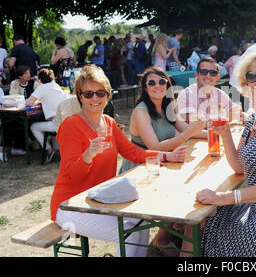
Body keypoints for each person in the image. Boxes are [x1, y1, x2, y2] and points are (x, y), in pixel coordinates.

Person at [49, 64, 187, 257]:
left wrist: (166, 156)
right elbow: (74, 175)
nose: (95, 98)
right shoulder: (70, 126)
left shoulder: (109, 123)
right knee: (130, 232)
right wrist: (88, 155)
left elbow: (133, 152)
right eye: (88, 94)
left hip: (100, 199)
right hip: (69, 206)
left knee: (141, 222)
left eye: (100, 93)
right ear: (80, 97)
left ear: (107, 95)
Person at [180, 48, 256, 257]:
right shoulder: (255, 118)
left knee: (206, 226)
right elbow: (239, 167)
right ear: (245, 82)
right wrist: (226, 134)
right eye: (252, 76)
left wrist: (224, 197)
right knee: (197, 219)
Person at [120, 67, 205, 173]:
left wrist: (217, 132)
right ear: (146, 89)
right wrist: (188, 133)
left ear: (167, 86)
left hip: (166, 161)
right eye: (151, 83)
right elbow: (154, 147)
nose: (157, 86)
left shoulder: (168, 107)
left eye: (162, 82)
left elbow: (188, 130)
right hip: (141, 166)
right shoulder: (140, 112)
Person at [176, 57, 238, 125]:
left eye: (213, 73)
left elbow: (236, 112)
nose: (208, 76)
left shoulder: (220, 94)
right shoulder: (186, 94)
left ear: (217, 76)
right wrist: (221, 118)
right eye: (204, 72)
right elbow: (193, 122)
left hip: (216, 134)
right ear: (196, 75)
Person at [25, 68, 66, 164]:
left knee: (33, 127)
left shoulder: (42, 87)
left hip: (55, 123)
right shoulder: (56, 86)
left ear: (40, 80)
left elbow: (29, 102)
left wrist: (37, 100)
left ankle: (48, 149)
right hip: (64, 121)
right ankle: (56, 150)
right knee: (50, 126)